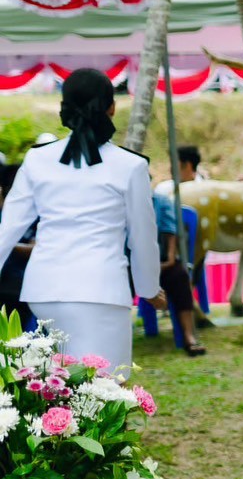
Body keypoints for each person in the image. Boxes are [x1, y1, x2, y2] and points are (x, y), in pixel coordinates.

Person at [0, 68, 162, 368]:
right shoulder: (131, 166)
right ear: (111, 107)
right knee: (105, 387)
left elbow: (7, 228)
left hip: (43, 291)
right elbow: (143, 237)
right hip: (101, 291)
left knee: (59, 387)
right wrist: (149, 289)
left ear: (65, 108)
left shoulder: (37, 159)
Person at [152, 189, 205, 355]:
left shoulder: (160, 201)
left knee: (180, 276)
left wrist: (169, 260)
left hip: (160, 262)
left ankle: (189, 336)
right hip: (129, 263)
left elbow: (170, 231)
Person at [0, 164, 36, 329]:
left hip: (18, 289)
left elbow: (35, 248)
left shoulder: (37, 216)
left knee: (14, 342)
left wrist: (8, 244)